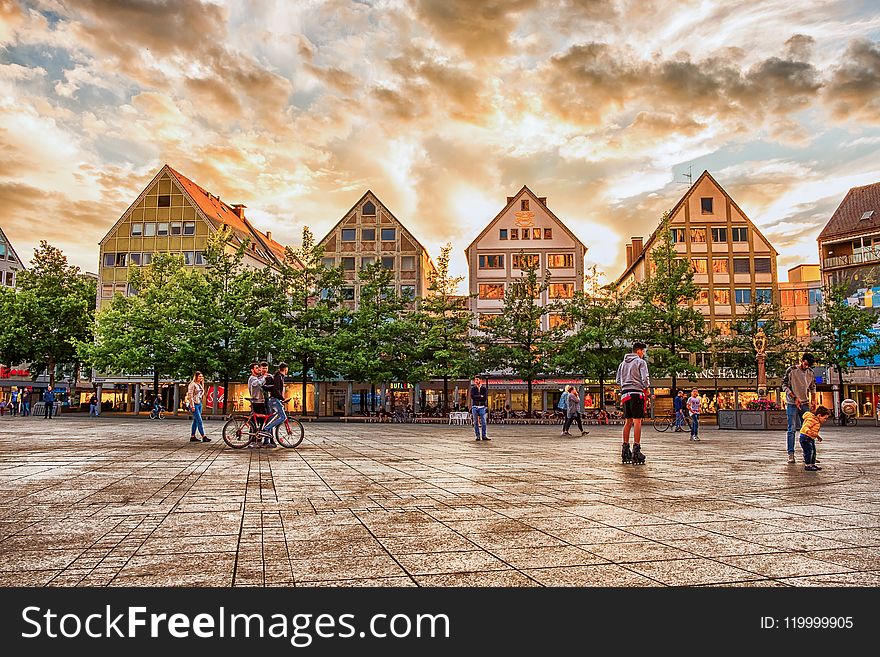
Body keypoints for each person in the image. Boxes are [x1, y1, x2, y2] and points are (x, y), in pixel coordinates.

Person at [616, 341, 652, 464]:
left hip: (625, 394)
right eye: (643, 351)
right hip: (636, 393)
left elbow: (618, 380)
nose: (643, 354)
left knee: (628, 421)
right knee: (637, 421)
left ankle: (625, 449)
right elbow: (645, 378)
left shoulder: (622, 364)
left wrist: (624, 386)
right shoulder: (640, 362)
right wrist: (645, 386)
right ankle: (636, 450)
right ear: (638, 351)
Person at [782, 353, 816, 464]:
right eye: (805, 364)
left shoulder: (810, 373)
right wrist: (794, 397)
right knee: (791, 429)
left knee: (808, 429)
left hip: (805, 403)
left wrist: (814, 400)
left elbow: (812, 387)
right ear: (801, 360)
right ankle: (790, 454)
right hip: (792, 403)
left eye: (808, 365)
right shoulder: (791, 370)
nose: (806, 367)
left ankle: (809, 454)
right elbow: (784, 385)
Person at [259, 363, 289, 447]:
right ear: (285, 369)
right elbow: (276, 390)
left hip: (273, 399)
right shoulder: (278, 377)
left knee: (270, 420)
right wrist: (282, 398)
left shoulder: (278, 376)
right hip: (274, 400)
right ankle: (265, 429)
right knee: (283, 417)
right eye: (287, 370)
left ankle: (266, 440)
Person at [799, 405, 830, 471]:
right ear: (819, 415)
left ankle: (812, 464)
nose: (825, 420)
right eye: (824, 418)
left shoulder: (817, 421)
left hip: (810, 438)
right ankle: (807, 465)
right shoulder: (812, 420)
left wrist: (818, 436)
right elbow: (805, 427)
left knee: (813, 451)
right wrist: (808, 431)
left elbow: (814, 432)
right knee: (808, 451)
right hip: (805, 437)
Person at [247, 362, 267, 443]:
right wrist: (264, 377)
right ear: (252, 370)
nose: (259, 369)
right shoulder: (252, 378)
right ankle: (252, 440)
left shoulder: (258, 377)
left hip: (260, 402)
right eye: (256, 368)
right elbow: (257, 384)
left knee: (261, 422)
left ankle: (257, 439)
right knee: (255, 422)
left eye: (259, 368)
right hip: (257, 402)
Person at [186, 372, 210, 442]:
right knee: (199, 420)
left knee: (196, 420)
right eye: (199, 376)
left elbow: (201, 394)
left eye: (202, 376)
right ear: (196, 377)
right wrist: (192, 406)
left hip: (199, 404)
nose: (201, 378)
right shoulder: (192, 384)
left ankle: (192, 436)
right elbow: (190, 396)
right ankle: (203, 436)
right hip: (194, 404)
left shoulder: (199, 384)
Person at [470, 376, 489, 441]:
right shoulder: (473, 388)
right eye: (475, 380)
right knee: (475, 422)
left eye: (477, 380)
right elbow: (472, 396)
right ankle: (477, 436)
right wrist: (480, 396)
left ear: (480, 380)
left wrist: (477, 397)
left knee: (483, 422)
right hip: (475, 407)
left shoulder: (484, 388)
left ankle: (484, 436)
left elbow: (485, 397)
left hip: (482, 407)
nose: (476, 381)